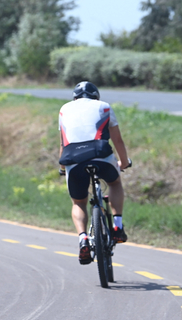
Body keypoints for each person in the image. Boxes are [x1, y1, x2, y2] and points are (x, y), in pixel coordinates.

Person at [58, 81, 130, 265]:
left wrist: (62, 168)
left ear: (74, 98)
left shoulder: (64, 109)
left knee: (79, 202)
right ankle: (117, 225)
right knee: (114, 183)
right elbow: (118, 140)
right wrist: (124, 162)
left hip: (72, 157)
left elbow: (63, 143)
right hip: (100, 154)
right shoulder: (104, 107)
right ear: (96, 96)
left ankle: (83, 238)